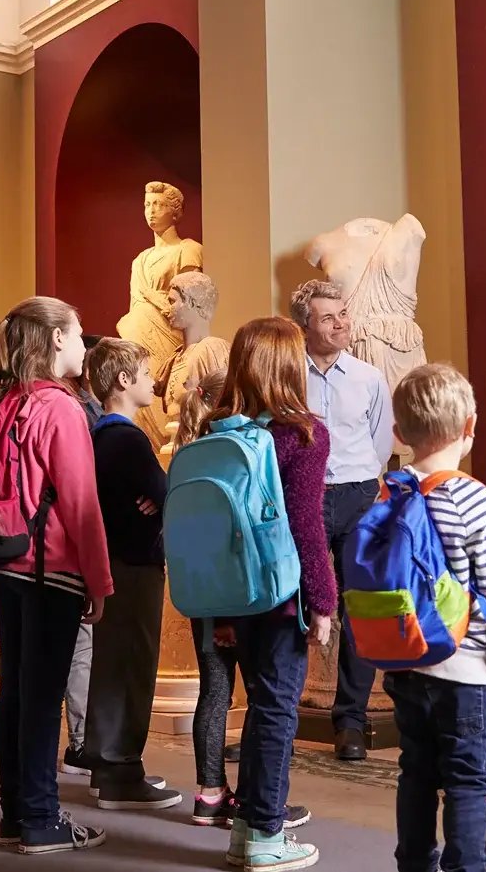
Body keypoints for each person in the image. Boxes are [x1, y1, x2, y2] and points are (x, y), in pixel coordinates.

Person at [0, 296, 116, 854]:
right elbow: (81, 502)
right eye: (79, 333)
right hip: (51, 567)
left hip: (3, 561)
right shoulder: (60, 407)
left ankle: (16, 812)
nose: (84, 343)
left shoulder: (1, 400)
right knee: (41, 697)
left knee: (14, 690)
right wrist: (100, 582)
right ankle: (40, 817)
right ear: (57, 338)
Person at [380, 363, 486, 872]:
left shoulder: (389, 493)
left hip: (405, 664)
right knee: (466, 783)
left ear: (399, 434)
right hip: (465, 671)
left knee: (416, 774)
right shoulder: (474, 498)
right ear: (469, 426)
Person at [210, 317, 332, 871]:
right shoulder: (302, 433)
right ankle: (265, 833)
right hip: (281, 592)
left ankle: (245, 830)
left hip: (231, 590)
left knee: (260, 704)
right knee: (278, 709)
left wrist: (218, 611)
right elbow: (306, 524)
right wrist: (323, 600)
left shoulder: (218, 431)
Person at [180, 369, 309, 831]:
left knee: (213, 692)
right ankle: (256, 802)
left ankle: (210, 794)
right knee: (262, 696)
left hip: (205, 594)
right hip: (249, 592)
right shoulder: (250, 448)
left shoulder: (197, 451)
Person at [76, 338, 183, 810]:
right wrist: (160, 499)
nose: (153, 382)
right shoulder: (128, 438)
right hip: (135, 565)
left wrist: (157, 498)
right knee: (133, 666)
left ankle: (106, 766)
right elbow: (168, 493)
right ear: (123, 380)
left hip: (110, 561)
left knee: (111, 665)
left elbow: (156, 495)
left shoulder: (98, 435)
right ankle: (121, 771)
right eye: (145, 373)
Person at [290, 279, 393, 760]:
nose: (340, 324)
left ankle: (350, 721)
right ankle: (280, 715)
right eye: (328, 317)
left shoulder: (369, 378)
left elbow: (380, 443)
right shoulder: (288, 375)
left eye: (343, 313)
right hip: (304, 495)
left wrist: (361, 484)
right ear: (305, 326)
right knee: (293, 603)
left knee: (360, 606)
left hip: (357, 495)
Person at [59, 333, 105, 777]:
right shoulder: (80, 411)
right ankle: (81, 742)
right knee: (80, 648)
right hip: (68, 547)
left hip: (52, 548)